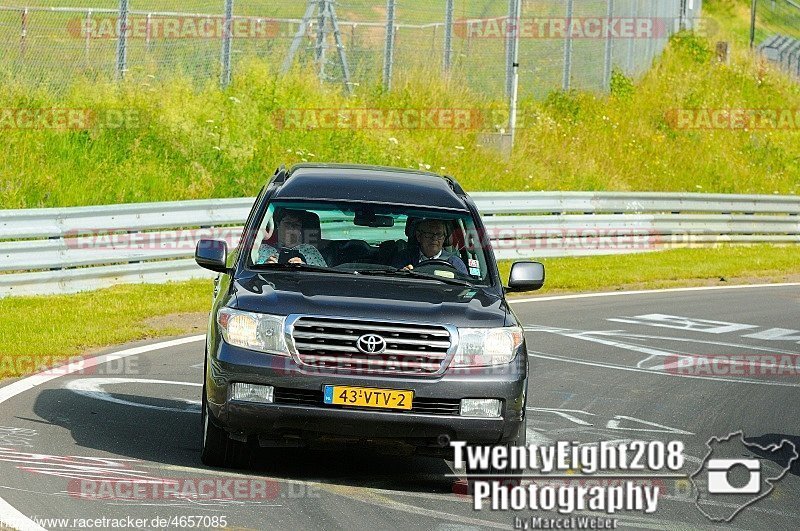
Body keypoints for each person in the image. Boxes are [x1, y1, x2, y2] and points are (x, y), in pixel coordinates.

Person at [392, 218, 468, 274]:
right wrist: (403, 274)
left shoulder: (455, 263)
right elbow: (393, 282)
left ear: (444, 238)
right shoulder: (403, 258)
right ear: (418, 236)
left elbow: (465, 288)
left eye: (439, 234)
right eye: (429, 233)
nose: (434, 238)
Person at [255, 209, 327, 267]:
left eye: (296, 225)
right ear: (278, 224)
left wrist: (304, 267)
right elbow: (251, 274)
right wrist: (265, 266)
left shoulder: (309, 250)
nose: (292, 228)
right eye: (288, 223)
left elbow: (324, 277)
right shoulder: (262, 250)